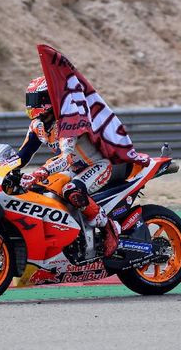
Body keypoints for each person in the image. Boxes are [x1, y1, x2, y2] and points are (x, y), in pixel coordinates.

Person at [16, 76, 122, 257]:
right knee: (41, 190)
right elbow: (22, 155)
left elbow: (66, 157)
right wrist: (3, 170)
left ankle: (108, 228)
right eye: (29, 100)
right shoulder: (37, 125)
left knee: (72, 190)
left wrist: (43, 171)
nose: (31, 105)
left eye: (35, 100)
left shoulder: (67, 121)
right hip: (74, 168)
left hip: (97, 165)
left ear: (49, 99)